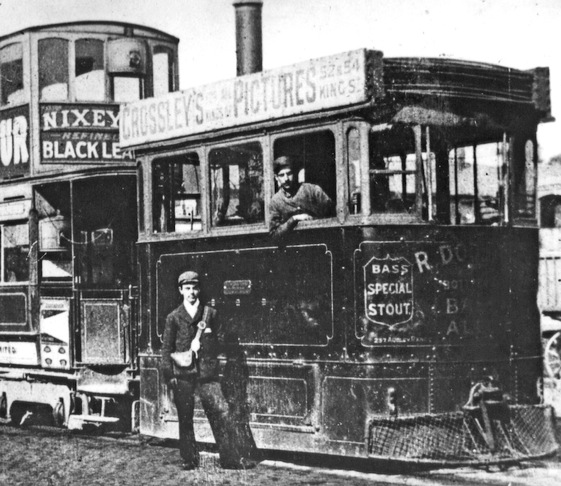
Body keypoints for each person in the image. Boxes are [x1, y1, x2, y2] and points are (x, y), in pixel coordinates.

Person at [161, 271, 258, 470]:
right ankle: (189, 459)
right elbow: (166, 350)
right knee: (185, 419)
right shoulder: (173, 318)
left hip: (207, 375)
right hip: (183, 376)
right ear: (180, 290)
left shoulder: (210, 314)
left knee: (222, 413)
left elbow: (222, 340)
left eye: (195, 288)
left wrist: (211, 341)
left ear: (199, 290)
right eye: (187, 289)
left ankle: (230, 459)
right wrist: (169, 376)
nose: (191, 293)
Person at [269, 156, 335, 238]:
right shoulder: (275, 201)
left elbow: (333, 213)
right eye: (282, 175)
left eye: (289, 174)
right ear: (276, 178)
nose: (286, 179)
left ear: (294, 173)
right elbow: (274, 234)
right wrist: (294, 219)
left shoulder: (312, 190)